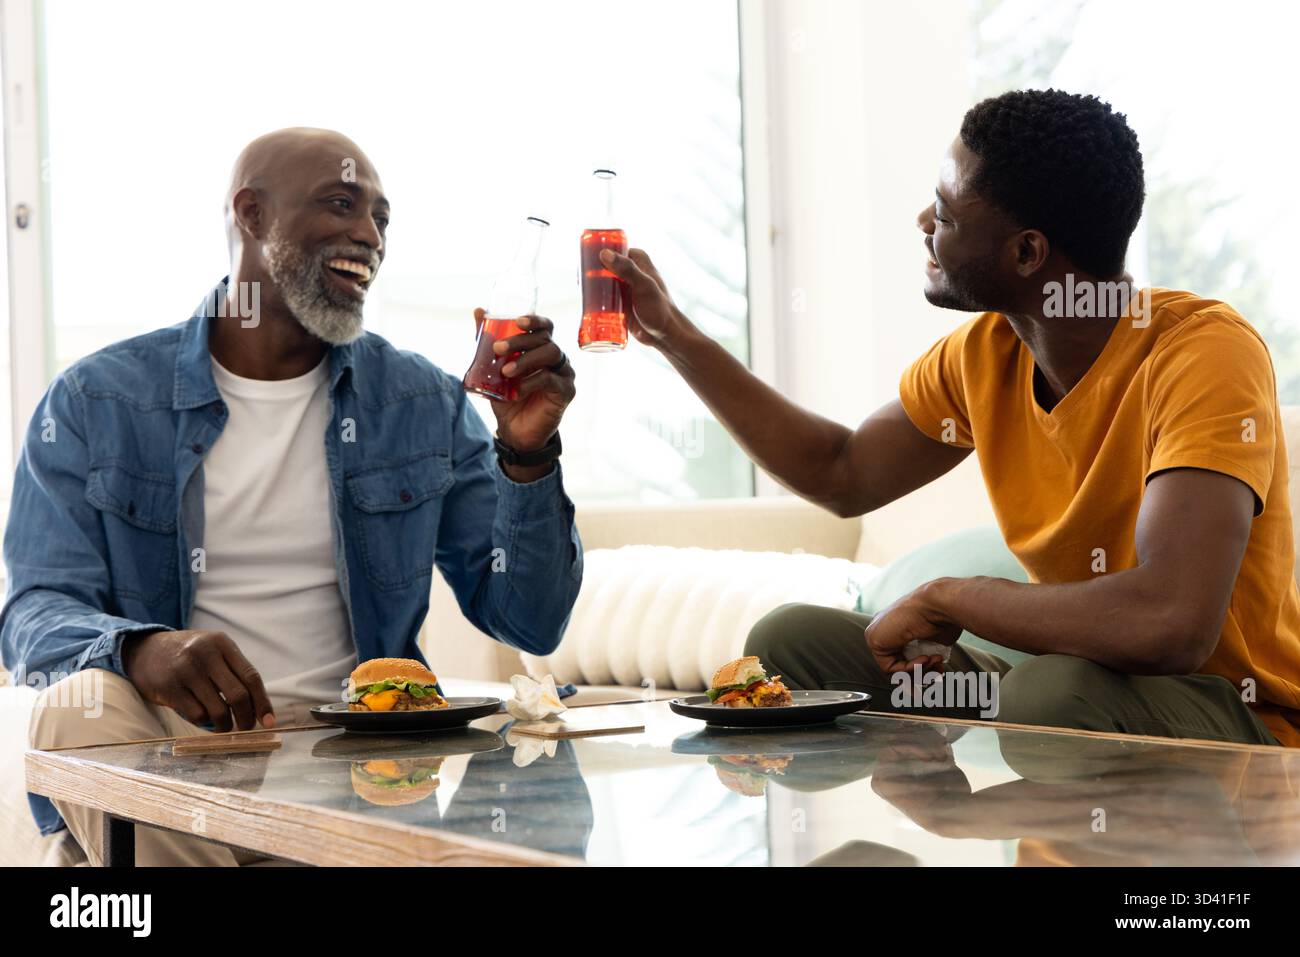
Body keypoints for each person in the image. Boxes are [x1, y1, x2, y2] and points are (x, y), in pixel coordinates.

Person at [601, 89, 1300, 748]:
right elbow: (839, 471)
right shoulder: (983, 353)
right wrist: (674, 337)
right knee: (792, 640)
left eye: (947, 209)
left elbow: (1171, 622)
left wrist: (950, 597)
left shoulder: (1204, 352)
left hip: (1236, 716)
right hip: (1064, 686)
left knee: (1052, 695)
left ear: (1027, 252)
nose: (923, 222)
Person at [3, 128, 583, 864]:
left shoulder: (421, 402)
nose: (368, 235)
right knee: (72, 711)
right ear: (250, 214)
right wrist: (143, 648)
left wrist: (526, 454)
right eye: (341, 204)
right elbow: (32, 614)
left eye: (381, 218)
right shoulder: (96, 400)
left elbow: (529, 622)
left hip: (357, 772)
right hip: (172, 755)